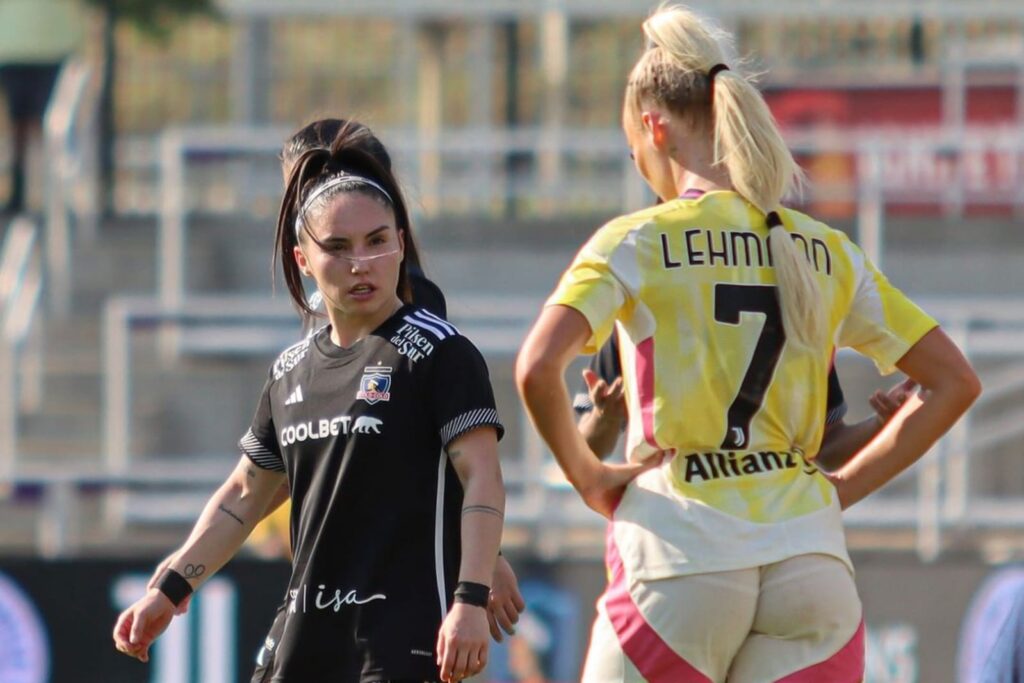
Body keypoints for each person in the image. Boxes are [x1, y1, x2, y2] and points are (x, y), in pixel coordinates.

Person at [515, 5, 981, 682]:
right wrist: (840, 490)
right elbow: (956, 381)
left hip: (679, 559)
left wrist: (588, 477)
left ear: (654, 127)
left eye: (633, 147)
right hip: (812, 568)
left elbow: (536, 367)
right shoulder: (825, 250)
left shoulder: (635, 242)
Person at [115, 124, 507, 683]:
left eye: (377, 242)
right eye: (339, 249)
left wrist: (470, 596)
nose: (361, 263)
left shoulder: (440, 352)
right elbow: (245, 495)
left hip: (403, 642)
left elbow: (482, 479)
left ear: (401, 239)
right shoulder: (288, 371)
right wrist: (172, 585)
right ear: (303, 260)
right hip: (303, 640)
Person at [575, 330, 917, 467]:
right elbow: (586, 448)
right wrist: (603, 417)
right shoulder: (636, 314)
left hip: (686, 545)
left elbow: (826, 447)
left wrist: (881, 426)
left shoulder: (793, 303)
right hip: (682, 537)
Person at [0, 0, 83, 214]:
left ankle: (58, 195)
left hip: (54, 51)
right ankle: (19, 192)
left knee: (54, 128)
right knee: (19, 128)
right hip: (13, 51)